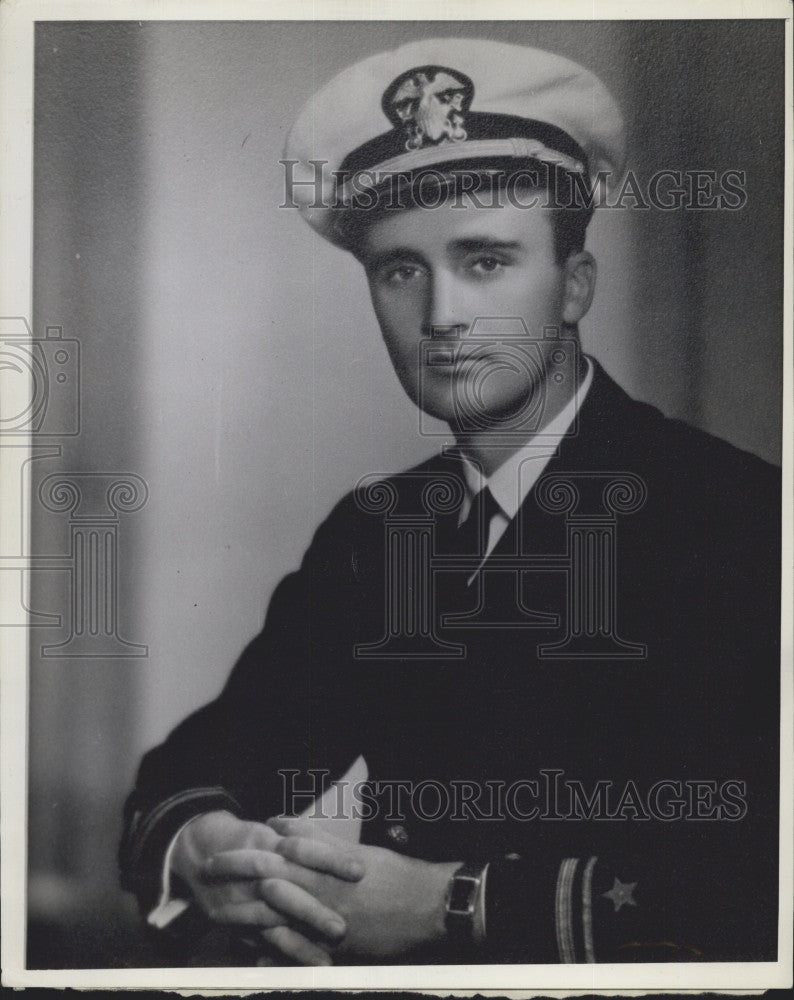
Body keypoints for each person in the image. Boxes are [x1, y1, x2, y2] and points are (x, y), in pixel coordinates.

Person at [120, 38, 780, 966]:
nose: (440, 318)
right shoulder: (380, 531)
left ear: (574, 286)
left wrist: (453, 903)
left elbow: (759, 877)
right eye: (400, 271)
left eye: (484, 261)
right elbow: (197, 766)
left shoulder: (741, 522)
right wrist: (210, 847)